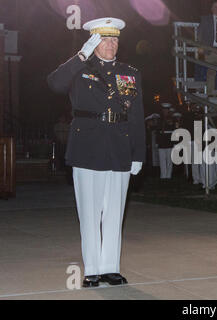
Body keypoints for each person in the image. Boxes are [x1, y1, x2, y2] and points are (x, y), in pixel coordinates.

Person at [47, 18, 145, 287]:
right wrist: (81, 55)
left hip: (119, 146)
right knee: (89, 213)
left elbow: (136, 115)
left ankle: (110, 267)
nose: (111, 44)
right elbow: (54, 83)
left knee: (115, 211)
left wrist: (138, 153)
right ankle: (91, 270)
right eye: (104, 39)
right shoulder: (80, 69)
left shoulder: (129, 73)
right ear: (93, 42)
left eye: (114, 39)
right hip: (87, 147)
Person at [157, 103, 176, 179]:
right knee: (162, 160)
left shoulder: (173, 118)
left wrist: (174, 142)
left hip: (169, 141)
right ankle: (163, 175)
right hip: (161, 142)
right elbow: (157, 131)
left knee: (169, 160)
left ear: (168, 110)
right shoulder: (159, 118)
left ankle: (168, 175)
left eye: (166, 110)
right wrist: (157, 142)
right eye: (164, 110)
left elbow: (175, 131)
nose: (165, 111)